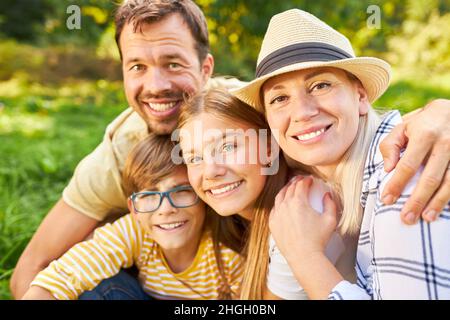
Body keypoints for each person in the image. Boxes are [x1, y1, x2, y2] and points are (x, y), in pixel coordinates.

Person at [10, 0, 450, 299]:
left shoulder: (285, 139)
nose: (157, 85)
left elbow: (348, 123)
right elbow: (40, 264)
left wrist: (432, 116)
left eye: (173, 63)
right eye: (137, 67)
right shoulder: (124, 150)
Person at [231, 8, 450, 299]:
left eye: (321, 85)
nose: (302, 112)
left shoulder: (404, 179)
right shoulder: (308, 187)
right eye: (280, 98)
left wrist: (304, 256)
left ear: (360, 96)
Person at [21, 133, 244, 300]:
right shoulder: (135, 231)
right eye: (149, 195)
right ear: (134, 208)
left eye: (181, 191)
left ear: (203, 197)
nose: (165, 209)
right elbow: (67, 273)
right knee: (96, 289)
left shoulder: (228, 254)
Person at [177, 88, 353, 299]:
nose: (211, 171)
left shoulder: (300, 208)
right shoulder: (237, 220)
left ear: (269, 148)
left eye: (228, 147)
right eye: (194, 159)